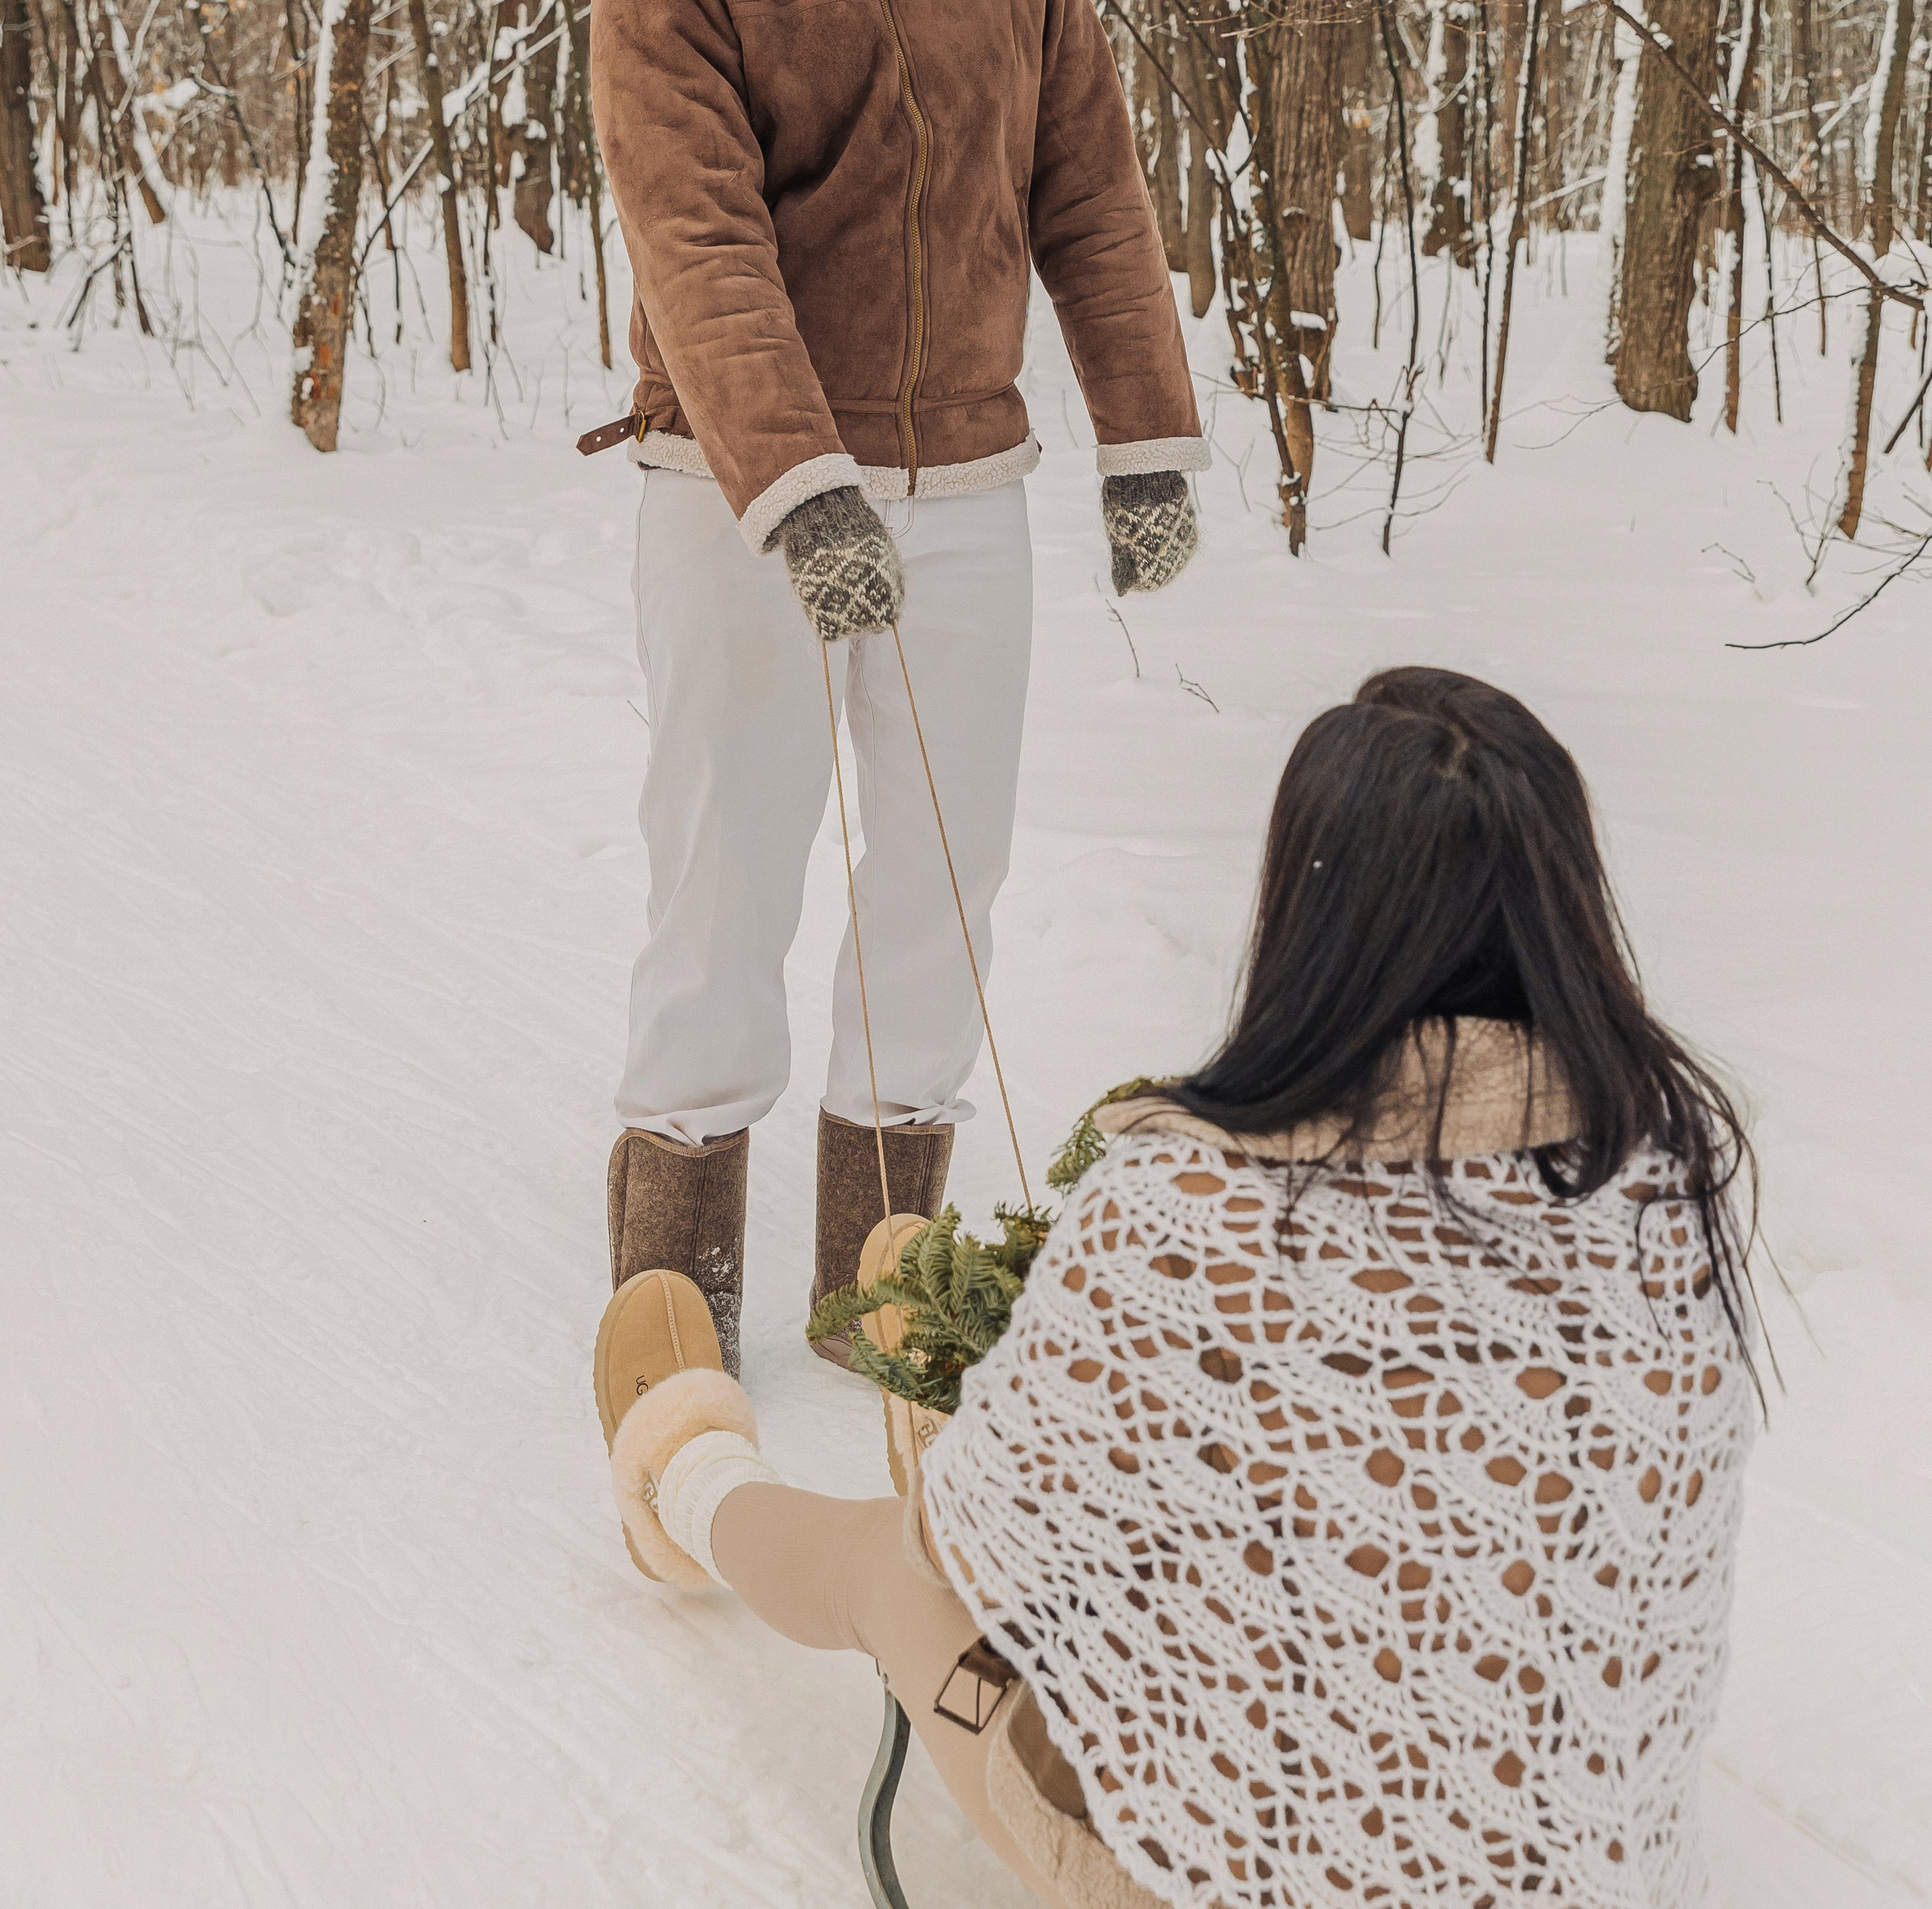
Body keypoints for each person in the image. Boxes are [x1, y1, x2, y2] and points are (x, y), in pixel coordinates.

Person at [596, 667, 1761, 1909]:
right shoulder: (1670, 1186)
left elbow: (962, 1548)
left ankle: (684, 1475)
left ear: (1311, 907)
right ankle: (1034, 1431)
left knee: (891, 1566)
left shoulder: (1193, 1203)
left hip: (1220, 1877)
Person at [586, 0, 1208, 1375]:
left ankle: (882, 1280)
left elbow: (1089, 192)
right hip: (735, 498)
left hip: (964, 482)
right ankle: (674, 1279)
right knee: (727, 863)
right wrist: (801, 490)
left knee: (947, 868)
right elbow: (699, 249)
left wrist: (1144, 439)